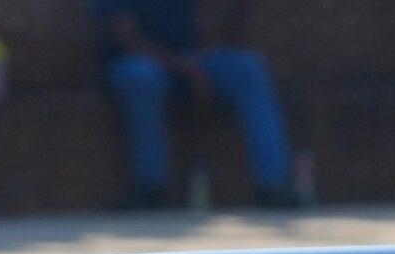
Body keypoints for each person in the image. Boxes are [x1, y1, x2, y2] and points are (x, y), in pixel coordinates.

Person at [91, 0, 299, 210]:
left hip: (190, 59)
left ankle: (273, 185)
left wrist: (205, 54)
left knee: (249, 68)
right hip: (136, 61)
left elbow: (213, 16)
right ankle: (149, 187)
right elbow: (126, 37)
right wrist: (186, 68)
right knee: (142, 80)